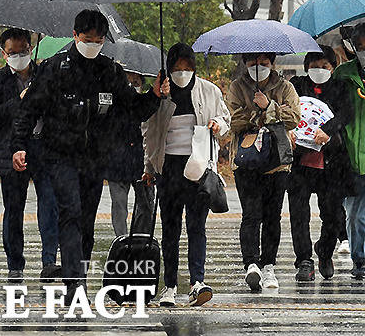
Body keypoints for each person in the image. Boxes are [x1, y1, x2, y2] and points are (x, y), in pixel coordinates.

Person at [12, 10, 166, 305]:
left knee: (86, 221)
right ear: (75, 36)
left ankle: (78, 270)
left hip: (95, 158)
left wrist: (154, 95)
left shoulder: (110, 70)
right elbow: (29, 111)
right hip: (60, 154)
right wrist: (18, 146)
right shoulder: (54, 68)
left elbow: (132, 108)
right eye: (87, 39)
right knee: (69, 213)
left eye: (98, 40)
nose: (92, 45)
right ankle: (74, 284)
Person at [143, 43, 230, 307]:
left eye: (187, 68)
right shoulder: (160, 92)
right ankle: (169, 286)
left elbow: (224, 118)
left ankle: (197, 282)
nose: (183, 73)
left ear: (194, 67)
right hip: (168, 168)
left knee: (196, 226)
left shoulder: (209, 90)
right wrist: (148, 168)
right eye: (177, 68)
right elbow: (150, 133)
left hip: (198, 167)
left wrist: (218, 125)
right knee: (170, 229)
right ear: (169, 68)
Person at [0, 28, 60, 284]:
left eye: (23, 51)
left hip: (43, 149)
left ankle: (50, 261)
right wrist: (19, 100)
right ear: (4, 54)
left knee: (49, 204)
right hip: (11, 151)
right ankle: (15, 264)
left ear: (31, 48)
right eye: (13, 52)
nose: (19, 56)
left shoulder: (45, 76)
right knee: (14, 209)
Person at [227, 52, 301, 291]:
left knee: (272, 216)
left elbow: (294, 118)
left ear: (272, 63)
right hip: (246, 160)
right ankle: (251, 265)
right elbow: (233, 119)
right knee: (251, 214)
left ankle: (268, 265)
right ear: (245, 63)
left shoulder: (285, 86)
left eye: (264, 63)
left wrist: (268, 106)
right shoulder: (237, 87)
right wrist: (259, 115)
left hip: (278, 162)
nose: (258, 67)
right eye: (252, 63)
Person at [288, 45, 354, 281]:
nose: (319, 71)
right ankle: (304, 260)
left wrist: (327, 130)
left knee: (334, 214)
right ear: (306, 67)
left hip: (331, 162)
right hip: (300, 162)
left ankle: (325, 251)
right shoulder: (297, 86)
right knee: (299, 213)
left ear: (333, 68)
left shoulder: (340, 87)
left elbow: (346, 113)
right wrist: (289, 131)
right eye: (314, 67)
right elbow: (288, 110)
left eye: (324, 66)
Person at [333, 23, 365, 279]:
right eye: (361, 47)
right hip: (352, 155)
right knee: (354, 215)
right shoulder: (343, 74)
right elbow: (335, 110)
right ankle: (360, 259)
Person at [106, 71, 146, 237]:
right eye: (128, 82)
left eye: (136, 82)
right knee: (119, 205)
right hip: (117, 161)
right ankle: (121, 238)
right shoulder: (112, 105)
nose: (132, 86)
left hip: (142, 161)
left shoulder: (146, 104)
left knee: (145, 204)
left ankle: (140, 238)